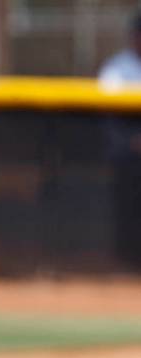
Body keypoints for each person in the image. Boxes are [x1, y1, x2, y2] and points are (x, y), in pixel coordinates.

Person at [99, 11, 141, 269]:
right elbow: (108, 111)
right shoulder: (117, 67)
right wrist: (132, 140)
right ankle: (125, 263)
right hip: (125, 148)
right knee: (127, 209)